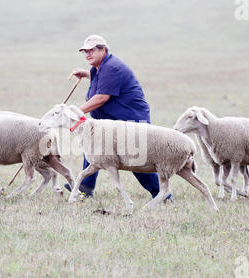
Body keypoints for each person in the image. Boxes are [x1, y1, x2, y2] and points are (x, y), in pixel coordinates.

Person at [64, 34, 172, 202]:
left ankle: (162, 194)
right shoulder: (99, 68)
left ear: (103, 50)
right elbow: (102, 80)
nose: (87, 54)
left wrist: (74, 113)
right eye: (84, 52)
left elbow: (101, 97)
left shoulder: (112, 67)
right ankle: (85, 187)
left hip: (131, 120)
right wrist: (86, 74)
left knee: (136, 158)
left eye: (91, 50)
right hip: (113, 122)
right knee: (93, 147)